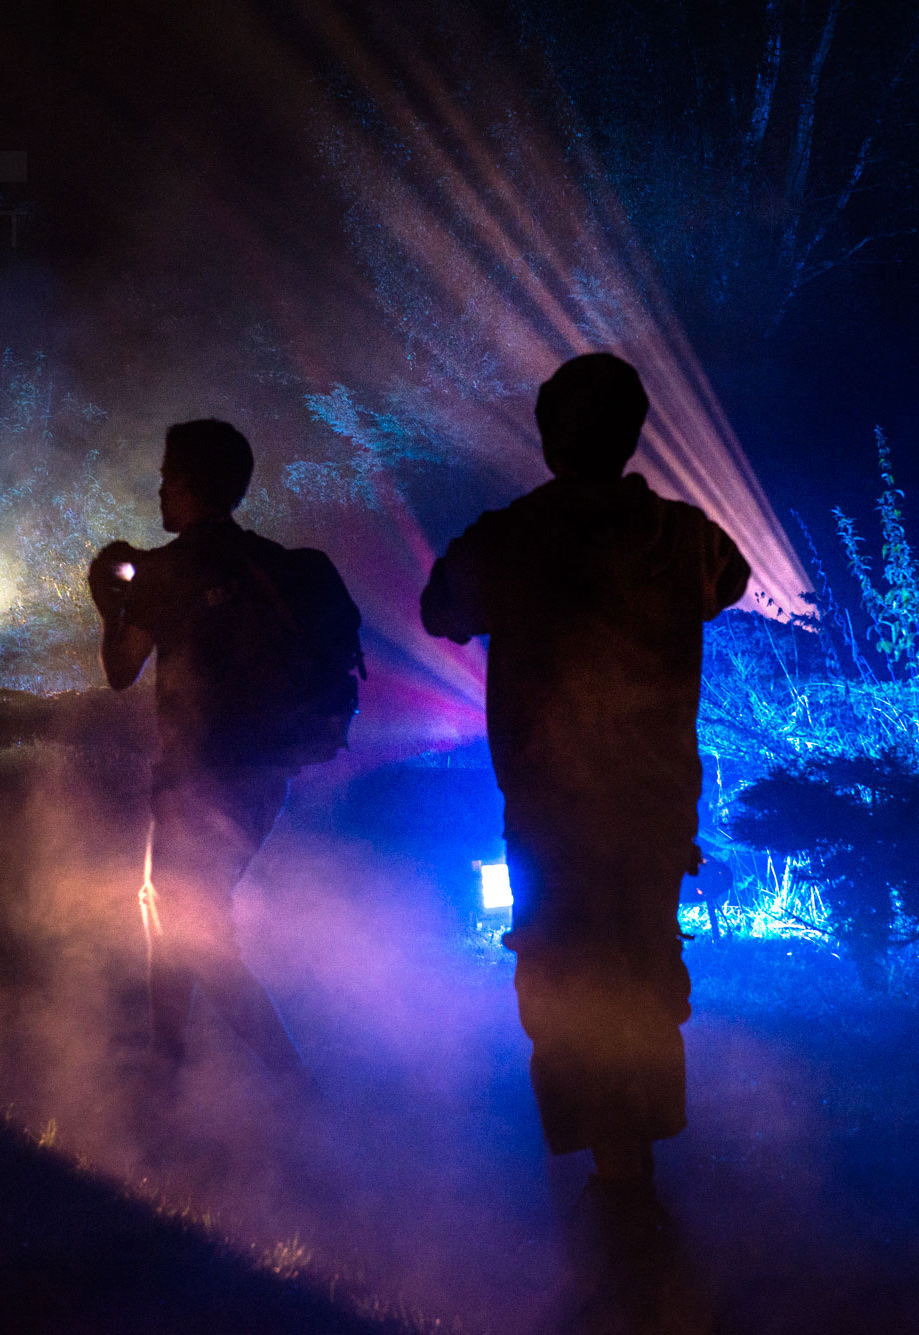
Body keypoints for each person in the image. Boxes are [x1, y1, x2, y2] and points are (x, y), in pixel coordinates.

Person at [421, 353, 751, 1188]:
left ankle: (611, 1163)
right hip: (653, 804)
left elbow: (439, 610)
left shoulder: (512, 536)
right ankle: (633, 1159)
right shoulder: (684, 536)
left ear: (546, 439)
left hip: (551, 809)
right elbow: (731, 580)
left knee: (560, 972)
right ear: (634, 435)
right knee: (643, 966)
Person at [88, 418, 359, 1084]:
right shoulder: (268, 562)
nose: (158, 489)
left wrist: (109, 605)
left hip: (196, 778)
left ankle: (290, 1081)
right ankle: (167, 1061)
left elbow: (122, 670)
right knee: (173, 909)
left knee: (191, 926)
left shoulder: (165, 570)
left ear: (186, 483)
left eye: (165, 476)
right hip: (265, 774)